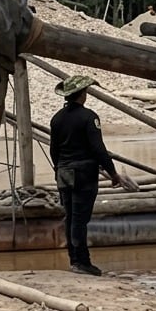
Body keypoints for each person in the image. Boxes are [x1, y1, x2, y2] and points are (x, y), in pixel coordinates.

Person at [49, 75, 138, 276]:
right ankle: (82, 262)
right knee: (80, 219)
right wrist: (113, 173)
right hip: (83, 174)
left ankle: (74, 259)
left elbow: (54, 150)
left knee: (71, 216)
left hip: (64, 173)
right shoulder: (89, 117)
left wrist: (58, 170)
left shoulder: (57, 119)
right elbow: (98, 149)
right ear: (82, 94)